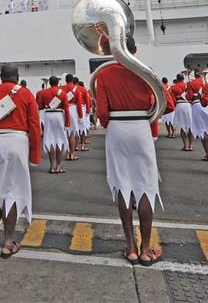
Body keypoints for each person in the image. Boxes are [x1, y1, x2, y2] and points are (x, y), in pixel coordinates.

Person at [94, 36, 163, 266]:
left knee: (123, 186)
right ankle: (146, 248)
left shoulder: (104, 74)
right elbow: (165, 103)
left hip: (117, 128)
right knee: (146, 186)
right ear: (135, 49)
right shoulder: (146, 71)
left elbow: (102, 113)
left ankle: (131, 247)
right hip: (141, 126)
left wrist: (111, 122)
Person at [0, 64, 41, 258]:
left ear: (1, 77)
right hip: (17, 141)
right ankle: (8, 243)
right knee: (12, 192)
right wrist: (35, 155)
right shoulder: (26, 94)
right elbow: (34, 124)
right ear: (17, 76)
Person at [36, 76, 70, 174]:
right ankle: (58, 166)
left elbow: (40, 106)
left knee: (50, 140)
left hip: (48, 115)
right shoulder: (63, 93)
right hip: (59, 115)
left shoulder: (43, 93)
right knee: (59, 140)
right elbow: (66, 108)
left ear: (49, 83)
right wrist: (67, 123)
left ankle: (52, 167)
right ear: (58, 83)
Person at [188, 69, 208, 161]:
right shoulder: (207, 82)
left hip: (197, 105)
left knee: (202, 130)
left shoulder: (191, 83)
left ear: (194, 75)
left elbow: (189, 96)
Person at [61, 74, 84, 160]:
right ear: (72, 80)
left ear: (65, 80)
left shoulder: (61, 88)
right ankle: (72, 154)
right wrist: (80, 116)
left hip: (63, 110)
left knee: (66, 133)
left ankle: (67, 153)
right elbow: (79, 104)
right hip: (73, 109)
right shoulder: (76, 89)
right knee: (72, 133)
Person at [170, 74, 193, 150]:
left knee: (182, 126)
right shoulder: (188, 85)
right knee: (190, 125)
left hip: (179, 105)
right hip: (188, 105)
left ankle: (185, 145)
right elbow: (191, 96)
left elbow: (173, 100)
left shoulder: (174, 87)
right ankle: (190, 145)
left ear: (177, 79)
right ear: (183, 78)